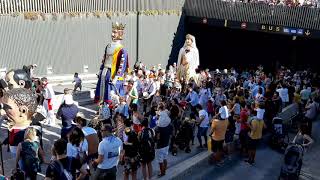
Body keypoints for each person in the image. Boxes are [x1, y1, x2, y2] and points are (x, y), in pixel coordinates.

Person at [95, 22, 129, 104]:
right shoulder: (108, 46)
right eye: (112, 32)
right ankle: (101, 107)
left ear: (120, 34)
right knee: (101, 89)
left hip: (112, 73)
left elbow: (122, 65)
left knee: (110, 92)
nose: (112, 34)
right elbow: (104, 59)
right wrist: (100, 70)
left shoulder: (122, 50)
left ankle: (108, 108)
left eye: (114, 32)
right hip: (105, 71)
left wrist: (117, 77)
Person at [1, 88, 38, 158]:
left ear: (23, 111)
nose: (3, 109)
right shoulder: (15, 128)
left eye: (7, 107)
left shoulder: (27, 132)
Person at [154, 103, 173, 177]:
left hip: (160, 145)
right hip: (166, 143)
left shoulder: (158, 127)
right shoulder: (169, 124)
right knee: (165, 158)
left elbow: (157, 137)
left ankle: (162, 172)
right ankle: (164, 170)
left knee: (160, 161)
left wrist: (155, 143)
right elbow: (172, 133)